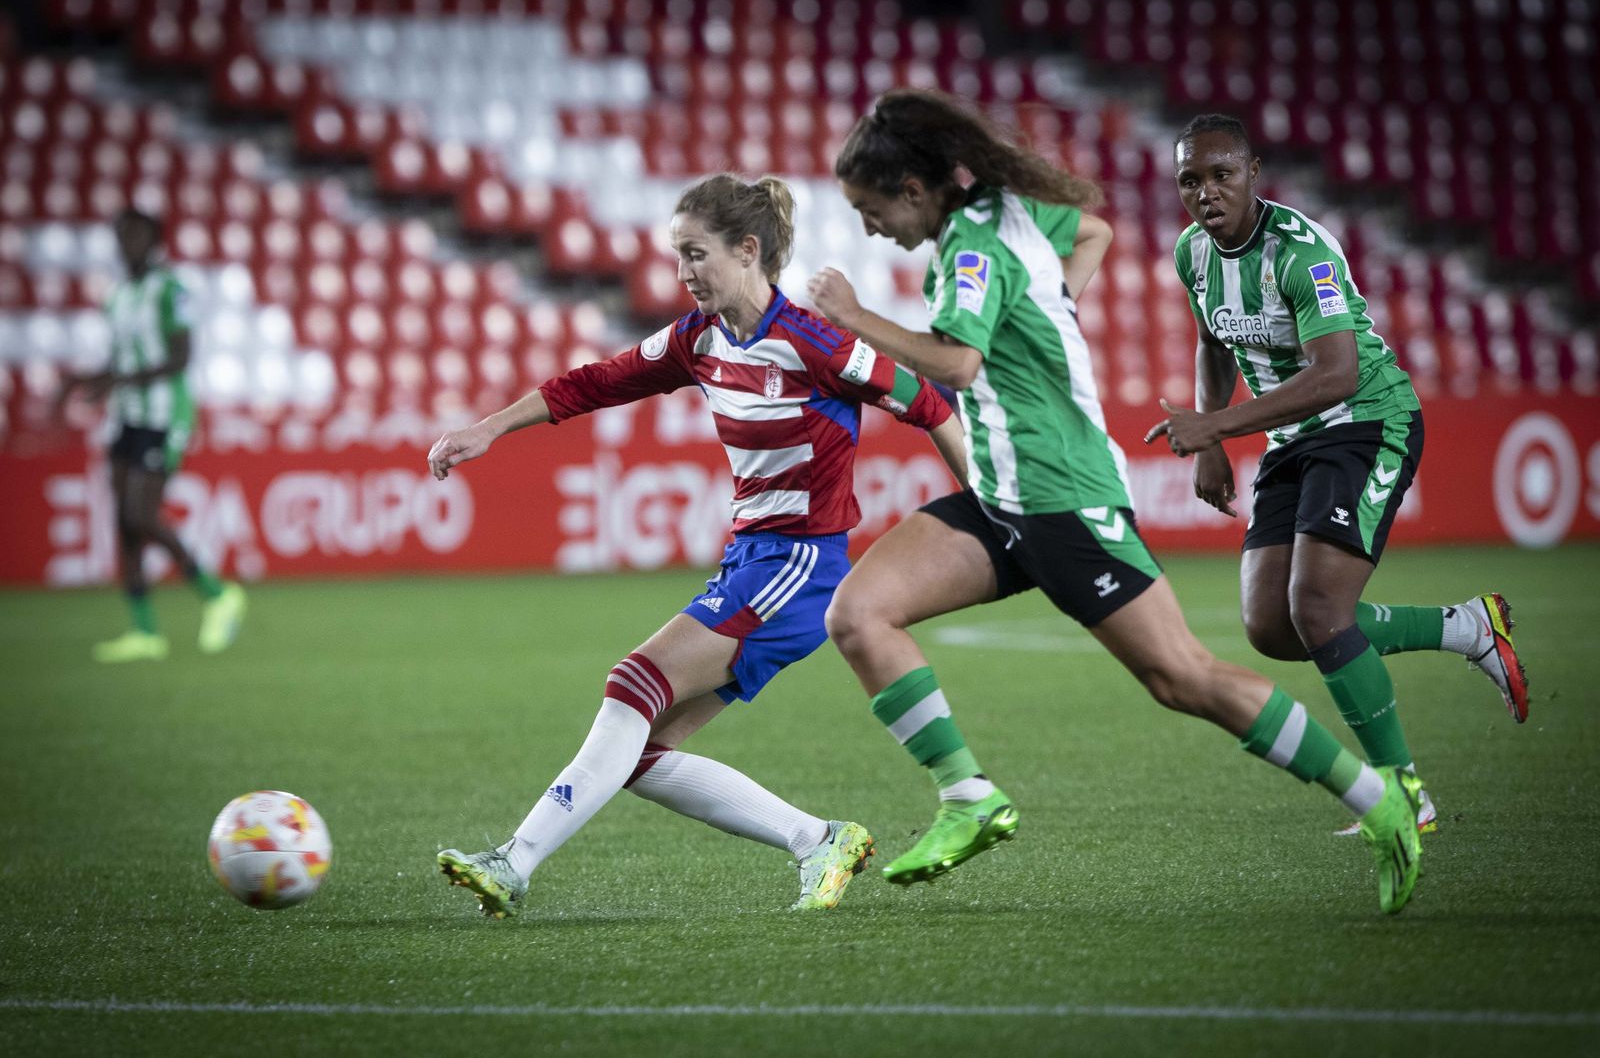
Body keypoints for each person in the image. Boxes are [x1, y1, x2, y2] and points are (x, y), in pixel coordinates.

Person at [807, 89, 1423, 914]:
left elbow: (955, 367)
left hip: (1062, 497)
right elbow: (1092, 231)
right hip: (1001, 493)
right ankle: (969, 796)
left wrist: (854, 318)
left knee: (1185, 678)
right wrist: (1049, 310)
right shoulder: (1007, 215)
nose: (870, 226)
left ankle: (1376, 800)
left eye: (870, 208)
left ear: (914, 191)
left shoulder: (972, 248)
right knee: (858, 613)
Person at [427, 173, 968, 918]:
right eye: (677, 256)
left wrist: (991, 505)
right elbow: (595, 382)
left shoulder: (817, 343)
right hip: (750, 561)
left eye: (695, 253)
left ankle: (514, 862)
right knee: (641, 753)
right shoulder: (697, 339)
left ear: (749, 250)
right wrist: (489, 427)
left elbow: (932, 403)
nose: (683, 272)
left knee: (632, 682)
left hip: (802, 568)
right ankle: (819, 838)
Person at [1145, 113, 1530, 836]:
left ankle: (1401, 792)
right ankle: (1469, 627)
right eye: (1189, 179)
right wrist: (1208, 444)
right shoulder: (1193, 254)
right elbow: (1213, 341)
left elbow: (1337, 373)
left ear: (1254, 171)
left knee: (1319, 610)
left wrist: (1220, 426)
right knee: (1270, 625)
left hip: (1365, 419)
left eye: (1220, 174)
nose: (1205, 192)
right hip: (1292, 435)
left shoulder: (1302, 252)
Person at [57, 207, 246, 662]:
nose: (129, 244)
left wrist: (115, 382)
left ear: (155, 238)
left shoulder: (171, 289)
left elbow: (179, 357)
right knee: (124, 520)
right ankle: (144, 631)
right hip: (125, 417)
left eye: (137, 235)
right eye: (122, 235)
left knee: (142, 513)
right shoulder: (117, 295)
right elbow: (120, 360)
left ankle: (218, 595)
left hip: (164, 415)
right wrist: (81, 381)